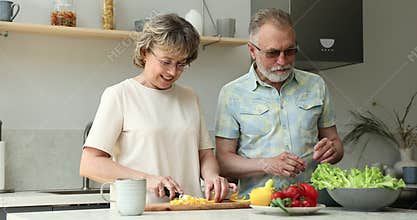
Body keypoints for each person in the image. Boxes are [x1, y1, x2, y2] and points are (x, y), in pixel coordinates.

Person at [80, 13, 235, 204]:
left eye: (181, 64)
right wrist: (147, 179)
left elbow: (205, 154)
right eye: (166, 62)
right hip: (140, 212)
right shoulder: (120, 95)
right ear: (145, 52)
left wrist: (212, 176)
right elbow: (90, 164)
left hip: (190, 210)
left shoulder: (189, 97)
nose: (172, 72)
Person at [215, 8, 344, 197]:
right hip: (257, 207)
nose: (282, 61)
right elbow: (223, 161)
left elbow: (336, 144)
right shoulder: (232, 93)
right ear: (252, 50)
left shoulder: (316, 84)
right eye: (272, 53)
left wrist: (333, 150)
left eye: (290, 51)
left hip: (311, 202)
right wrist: (267, 164)